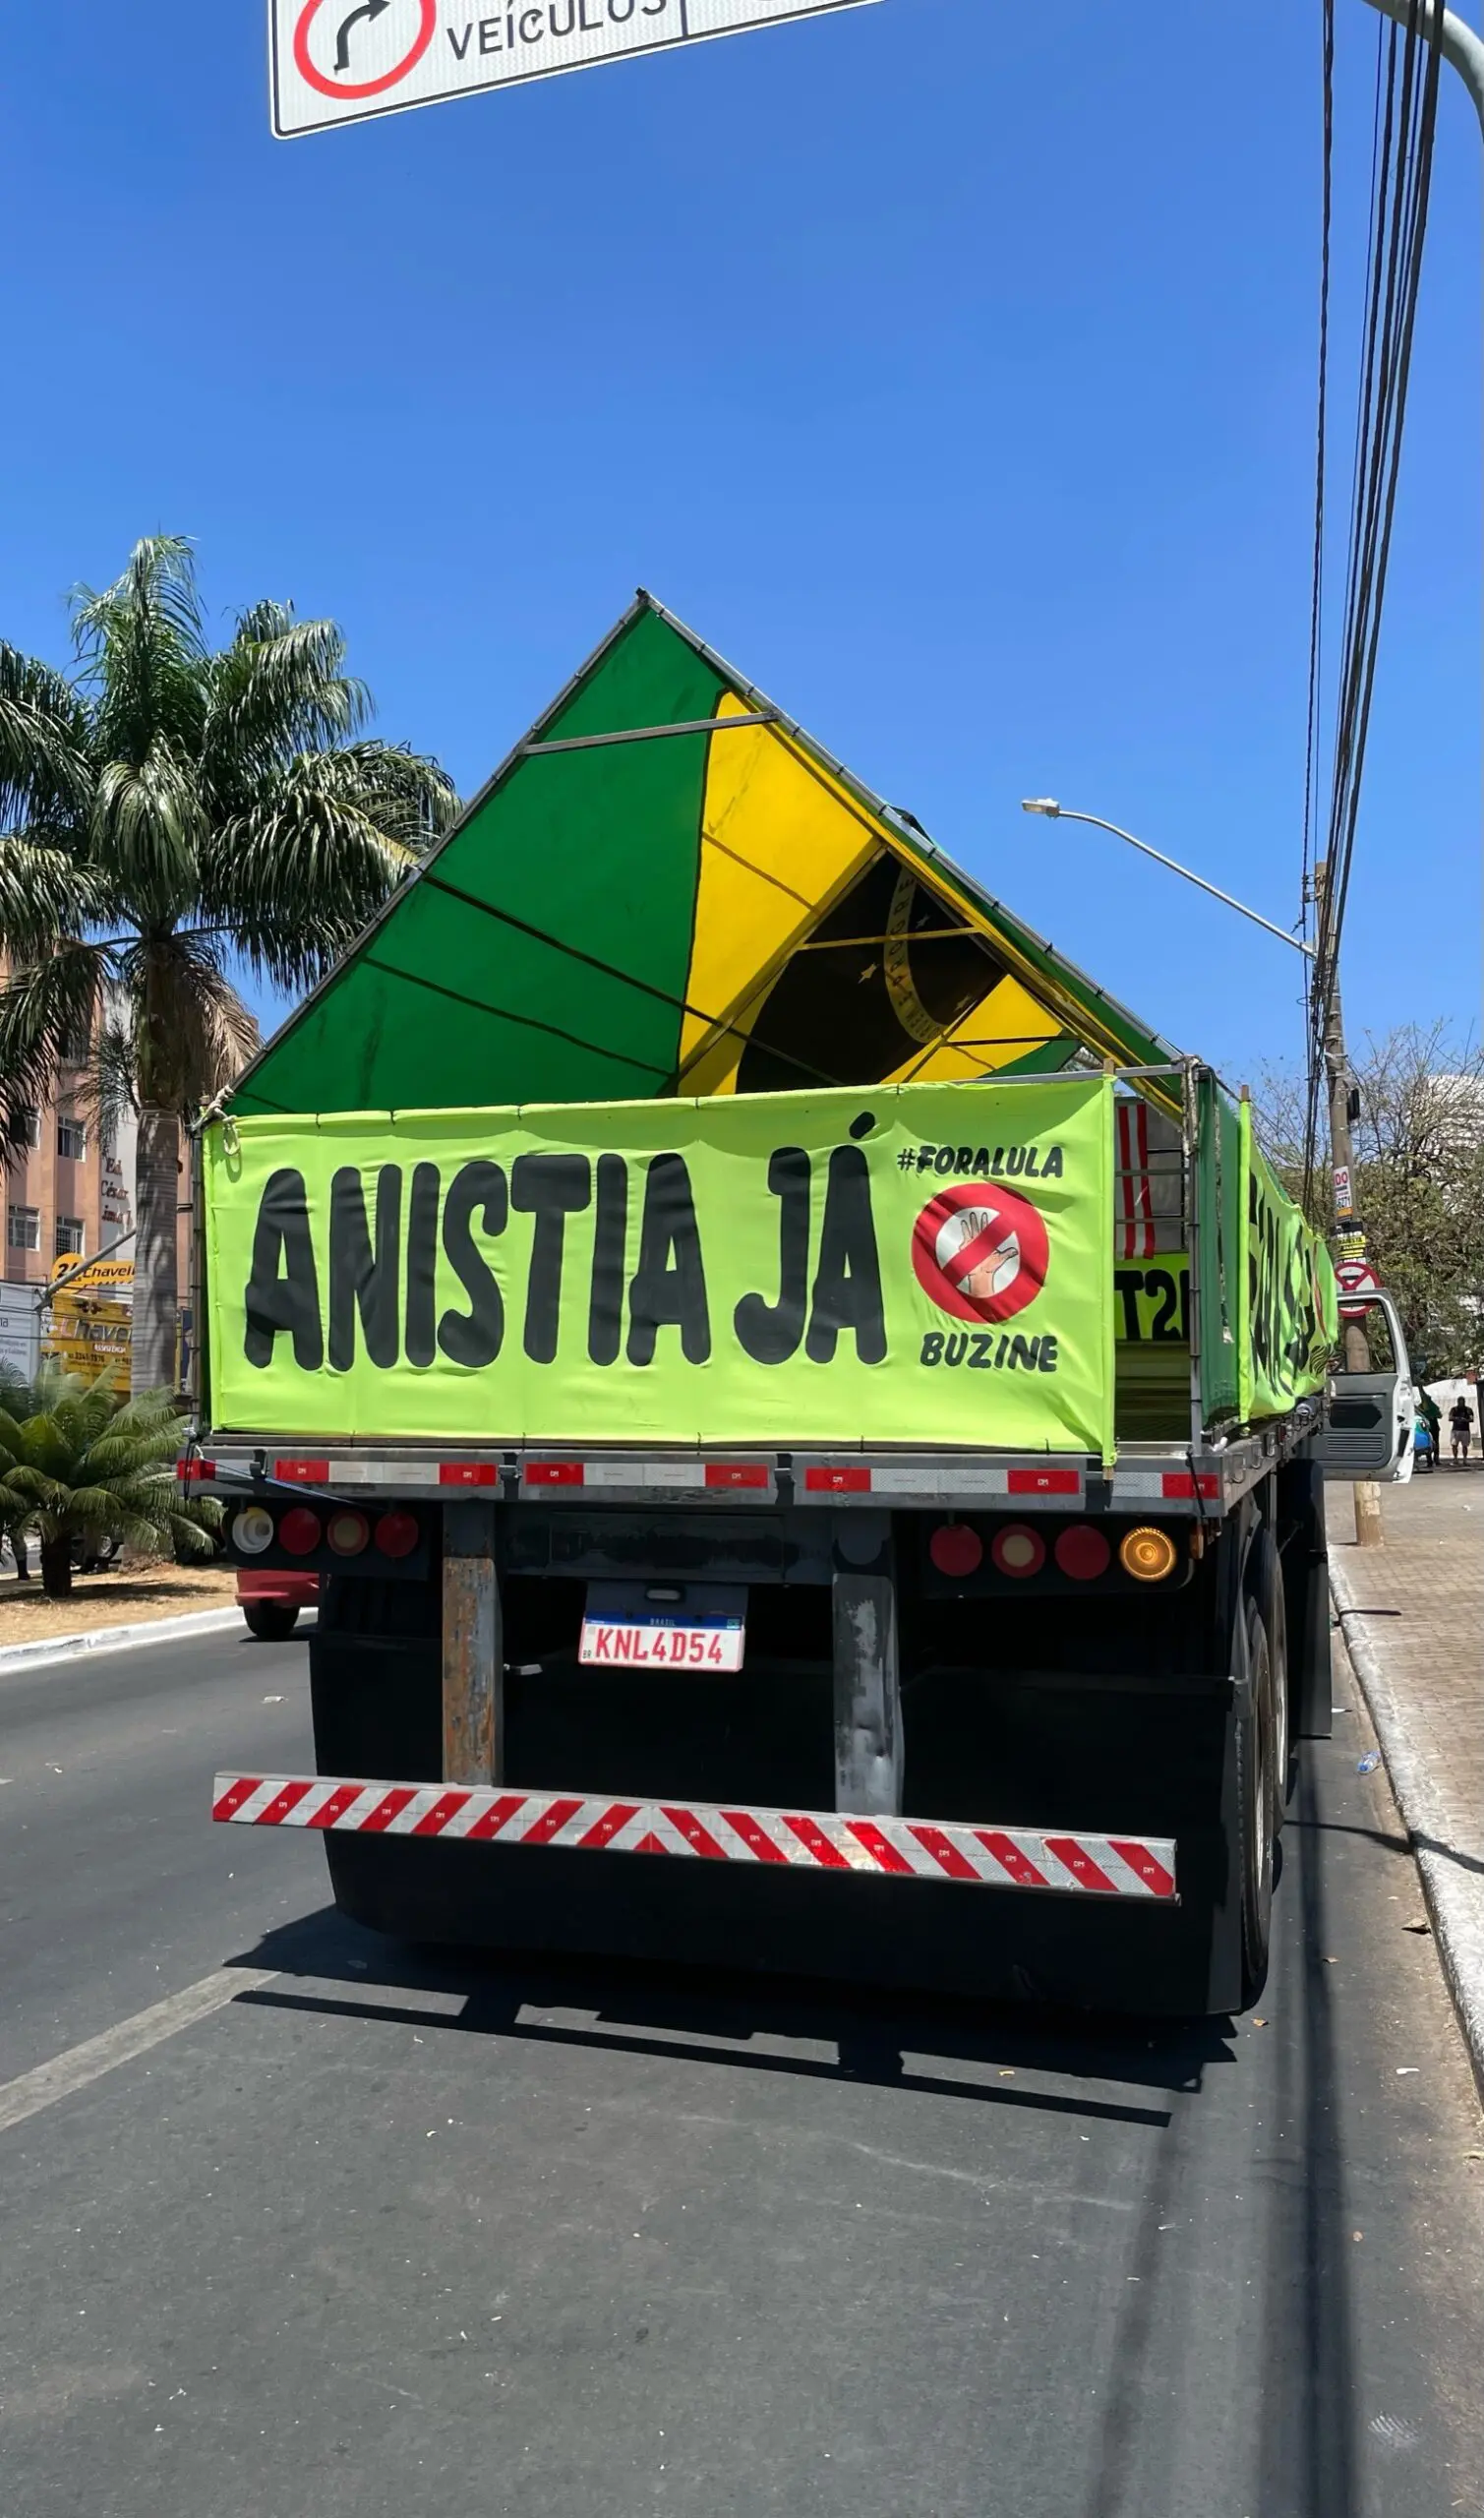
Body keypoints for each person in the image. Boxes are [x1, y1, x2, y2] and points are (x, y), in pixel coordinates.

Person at [1448, 1393, 1475, 1465]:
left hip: (1465, 1430)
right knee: (1454, 1445)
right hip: (1455, 1430)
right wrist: (1457, 1418)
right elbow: (1450, 1418)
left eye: (1462, 1401)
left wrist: (1465, 1420)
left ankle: (1465, 1459)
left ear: (1464, 1402)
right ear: (1457, 1402)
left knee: (1465, 1446)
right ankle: (1455, 1459)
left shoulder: (1468, 1410)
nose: (1461, 1403)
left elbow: (1471, 1419)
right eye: (1460, 1401)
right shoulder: (1454, 1409)